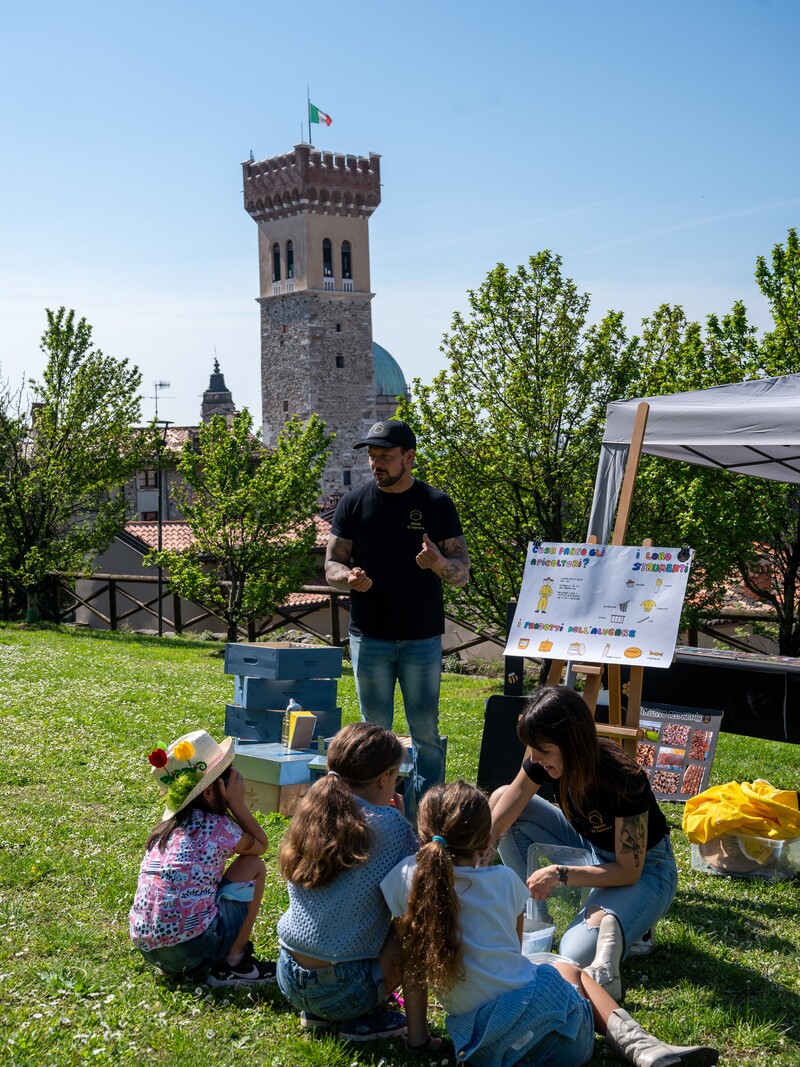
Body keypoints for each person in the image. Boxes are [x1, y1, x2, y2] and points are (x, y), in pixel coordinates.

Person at [382, 780, 718, 1067]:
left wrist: (419, 1040)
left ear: (422, 833)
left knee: (545, 972)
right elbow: (512, 958)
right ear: (487, 841)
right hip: (566, 1046)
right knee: (568, 970)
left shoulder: (405, 879)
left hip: (484, 1051)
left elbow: (413, 971)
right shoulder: (504, 880)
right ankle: (642, 1047)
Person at [489, 686, 679, 1000]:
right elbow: (505, 811)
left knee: (574, 954)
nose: (535, 759)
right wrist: (469, 864)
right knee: (501, 804)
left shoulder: (623, 780)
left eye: (543, 751)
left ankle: (635, 925)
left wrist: (559, 873)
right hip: (591, 847)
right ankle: (536, 919)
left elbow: (627, 871)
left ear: (571, 743)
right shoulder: (547, 755)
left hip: (645, 872)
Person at [325, 418, 470, 810]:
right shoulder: (352, 504)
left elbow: (461, 572)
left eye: (385, 456)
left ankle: (426, 815)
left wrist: (439, 563)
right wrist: (347, 576)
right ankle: (378, 813)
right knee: (374, 734)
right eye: (372, 456)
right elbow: (331, 565)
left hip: (421, 638)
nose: (377, 464)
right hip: (369, 637)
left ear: (409, 457)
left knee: (425, 731)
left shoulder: (436, 504)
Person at [275, 722, 431, 1044]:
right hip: (346, 990)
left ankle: (319, 1014)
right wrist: (401, 822)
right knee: (415, 924)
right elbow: (422, 879)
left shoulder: (310, 811)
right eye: (397, 776)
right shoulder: (390, 825)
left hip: (289, 975)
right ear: (384, 778)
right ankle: (360, 1018)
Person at [129, 729, 275, 987]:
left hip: (149, 949)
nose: (235, 781)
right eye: (226, 779)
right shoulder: (218, 827)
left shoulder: (164, 832)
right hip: (192, 948)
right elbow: (260, 846)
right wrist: (238, 805)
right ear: (208, 793)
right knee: (254, 866)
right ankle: (235, 963)